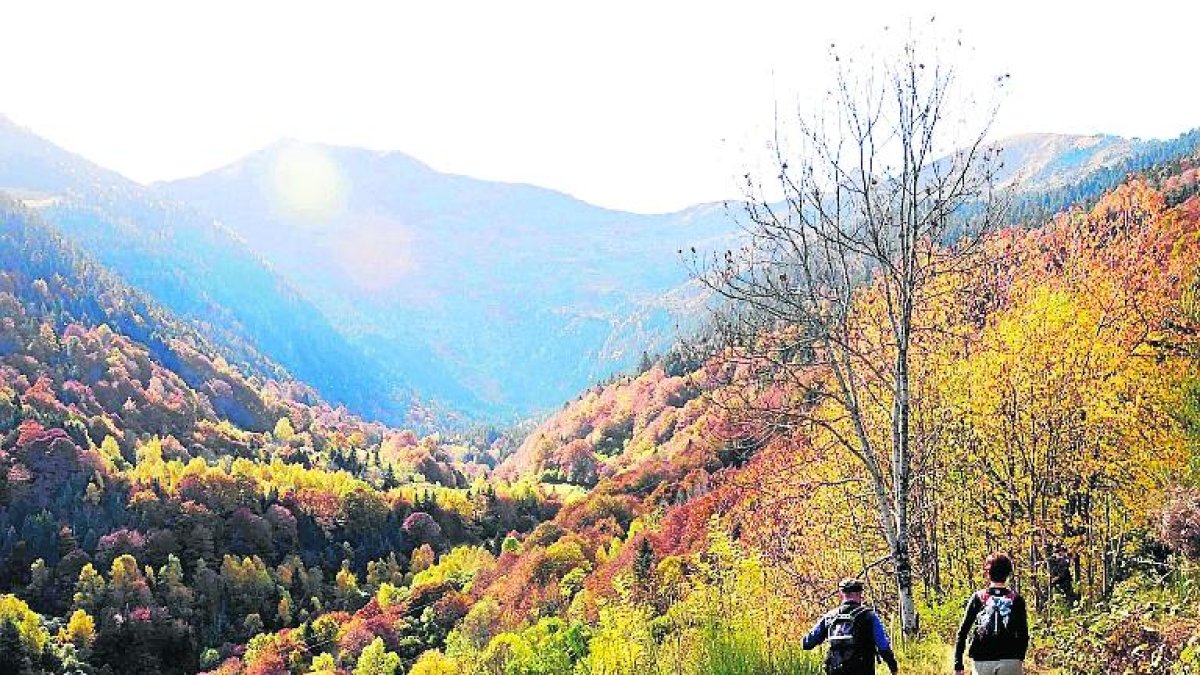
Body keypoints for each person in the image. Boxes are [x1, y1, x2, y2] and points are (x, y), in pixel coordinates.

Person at [803, 578, 899, 675]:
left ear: (841, 594)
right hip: (862, 670)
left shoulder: (830, 616)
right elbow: (883, 646)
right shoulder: (869, 616)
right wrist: (893, 667)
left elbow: (807, 644)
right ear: (859, 594)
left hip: (835, 670)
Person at [954, 553, 1030, 675]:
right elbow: (1023, 634)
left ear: (987, 573)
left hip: (982, 659)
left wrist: (958, 664)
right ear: (1008, 573)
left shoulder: (978, 597)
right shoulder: (1016, 599)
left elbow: (963, 632)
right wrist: (1020, 658)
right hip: (1011, 659)